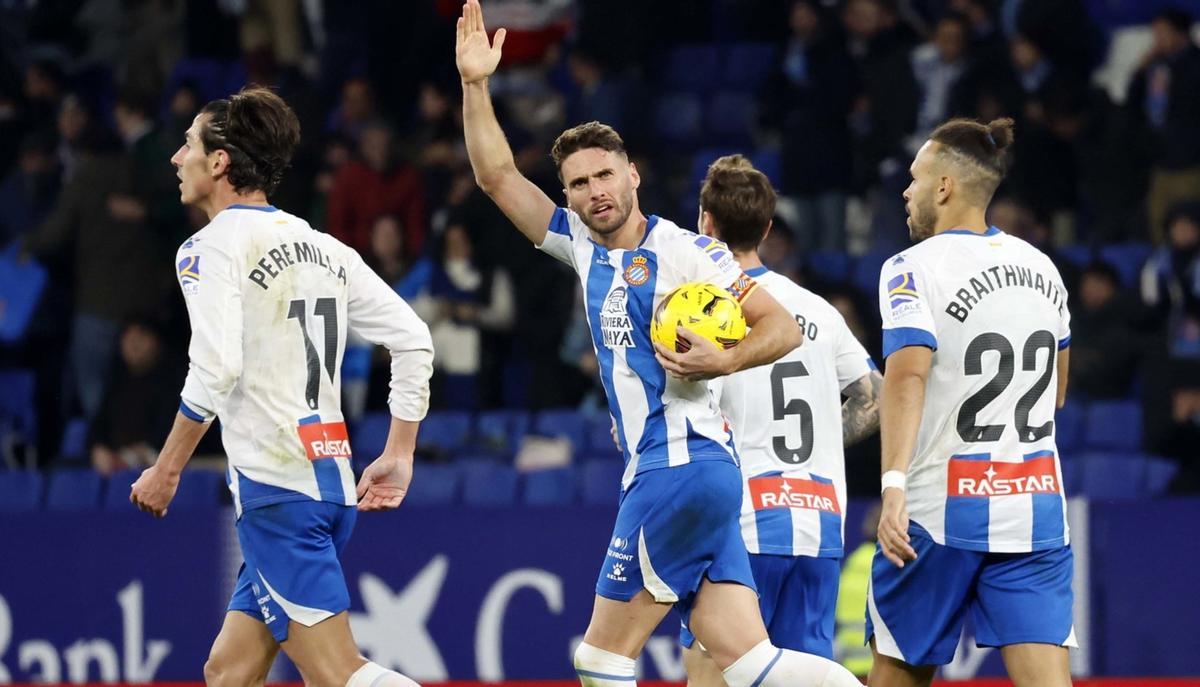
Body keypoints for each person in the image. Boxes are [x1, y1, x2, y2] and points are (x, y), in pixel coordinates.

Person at [455, 3, 860, 686]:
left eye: (604, 176)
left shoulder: (689, 252)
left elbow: (781, 325)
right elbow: (497, 177)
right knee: (752, 661)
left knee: (603, 656)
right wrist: (474, 87)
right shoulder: (582, 245)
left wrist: (725, 357)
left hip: (677, 466)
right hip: (703, 475)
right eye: (578, 184)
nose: (594, 192)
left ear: (633, 174)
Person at [128, 87, 432, 687]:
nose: (175, 157)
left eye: (188, 143)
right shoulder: (325, 247)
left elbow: (216, 368)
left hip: (277, 491)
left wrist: (167, 470)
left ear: (219, 162)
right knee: (229, 670)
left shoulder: (209, 247)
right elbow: (414, 338)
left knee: (338, 674)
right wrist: (400, 451)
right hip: (328, 484)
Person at [870, 117, 1074, 687]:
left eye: (914, 179)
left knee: (897, 676)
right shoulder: (1044, 268)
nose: (906, 192)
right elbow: (1055, 394)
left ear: (943, 187)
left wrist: (892, 487)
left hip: (936, 514)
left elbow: (906, 377)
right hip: (1033, 510)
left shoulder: (910, 268)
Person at [679, 156, 882, 685]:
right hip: (817, 521)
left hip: (740, 522)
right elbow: (875, 398)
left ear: (705, 221)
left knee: (711, 667)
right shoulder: (817, 310)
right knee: (804, 676)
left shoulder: (700, 305)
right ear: (768, 229)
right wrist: (823, 447)